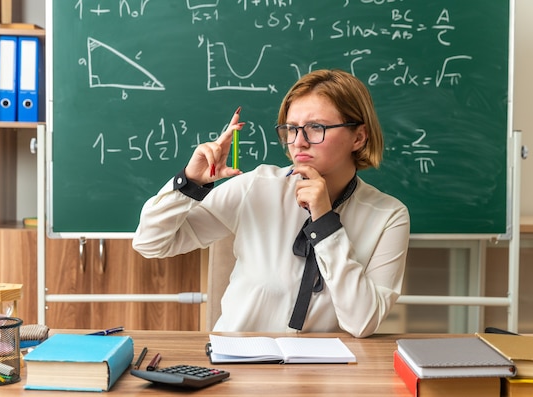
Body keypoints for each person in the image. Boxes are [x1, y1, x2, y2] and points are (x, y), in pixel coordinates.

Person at [132, 69, 410, 338]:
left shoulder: (388, 216)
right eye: (291, 129)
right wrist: (190, 182)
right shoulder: (258, 186)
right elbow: (151, 243)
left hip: (323, 375)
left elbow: (362, 322)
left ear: (358, 137)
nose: (298, 142)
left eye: (316, 128)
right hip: (235, 368)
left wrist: (325, 224)